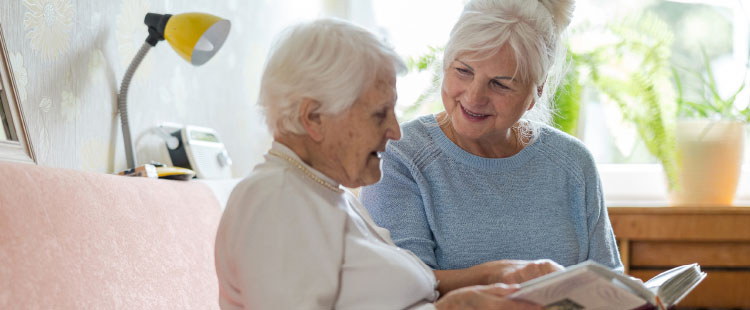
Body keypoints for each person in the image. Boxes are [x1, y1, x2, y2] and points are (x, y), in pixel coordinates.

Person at [214, 18, 549, 309]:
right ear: (314, 117)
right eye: (378, 114)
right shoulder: (276, 200)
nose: (396, 132)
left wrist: (492, 276)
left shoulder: (323, 192)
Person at [360, 0, 624, 293]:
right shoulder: (400, 154)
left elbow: (607, 284)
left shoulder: (573, 162)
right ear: (446, 63)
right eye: (463, 71)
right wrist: (493, 275)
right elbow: (400, 286)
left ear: (537, 90)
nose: (474, 97)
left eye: (500, 84)